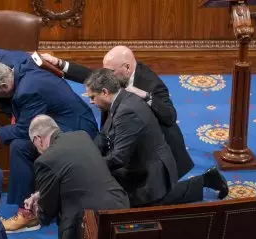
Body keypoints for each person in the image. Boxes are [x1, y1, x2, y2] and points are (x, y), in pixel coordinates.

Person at [0, 48, 98, 233]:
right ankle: (38, 202)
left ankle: (28, 215)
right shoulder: (17, 61)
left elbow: (25, 129)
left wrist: (0, 133)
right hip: (64, 118)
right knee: (21, 144)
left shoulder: (28, 91)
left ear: (3, 87)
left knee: (20, 146)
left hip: (76, 131)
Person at [41, 45, 194, 179]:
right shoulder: (116, 75)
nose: (106, 76)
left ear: (127, 68)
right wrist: (60, 64)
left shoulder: (151, 84)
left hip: (157, 147)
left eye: (110, 71)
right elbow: (94, 77)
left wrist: (146, 96)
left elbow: (170, 116)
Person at [84, 69, 227, 207]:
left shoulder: (126, 111)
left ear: (105, 92)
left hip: (152, 172)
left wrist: (91, 165)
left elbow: (118, 158)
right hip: (139, 160)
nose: (91, 101)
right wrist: (92, 152)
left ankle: (205, 180)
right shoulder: (120, 99)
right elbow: (104, 134)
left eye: (92, 97)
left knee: (133, 204)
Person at [24, 115, 129, 239]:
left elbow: (47, 213)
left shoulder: (45, 160)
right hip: (120, 204)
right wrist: (40, 194)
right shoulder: (82, 136)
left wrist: (36, 209)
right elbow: (75, 174)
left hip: (89, 221)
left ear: (37, 139)